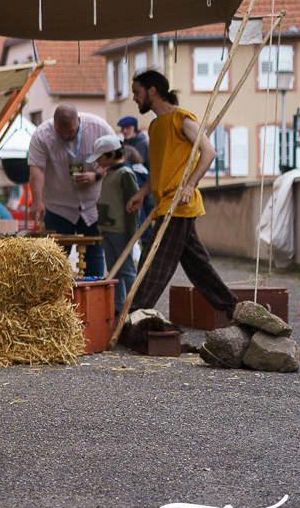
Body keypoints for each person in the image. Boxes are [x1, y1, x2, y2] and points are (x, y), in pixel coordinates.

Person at [120, 70, 238, 324]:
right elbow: (159, 169)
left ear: (153, 91)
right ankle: (235, 310)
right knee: (199, 268)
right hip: (165, 204)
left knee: (154, 263)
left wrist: (191, 184)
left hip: (180, 205)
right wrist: (142, 193)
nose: (134, 99)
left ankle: (134, 315)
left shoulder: (182, 119)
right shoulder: (154, 126)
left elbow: (208, 152)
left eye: (137, 93)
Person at [26, 104, 116, 271]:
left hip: (93, 206)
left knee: (94, 255)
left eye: (71, 132)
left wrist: (96, 175)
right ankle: (56, 297)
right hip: (58, 206)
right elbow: (36, 169)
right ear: (54, 124)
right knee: (54, 260)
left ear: (79, 121)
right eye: (60, 132)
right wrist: (37, 201)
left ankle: (91, 293)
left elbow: (117, 159)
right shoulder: (42, 135)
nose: (66, 136)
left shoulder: (99, 128)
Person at [89, 134, 140, 311]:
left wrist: (132, 233)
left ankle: (136, 306)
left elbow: (134, 205)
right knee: (113, 271)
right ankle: (118, 307)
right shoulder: (110, 172)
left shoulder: (125, 173)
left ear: (111, 154)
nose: (97, 163)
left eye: (100, 158)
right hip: (107, 228)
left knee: (126, 270)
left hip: (121, 230)